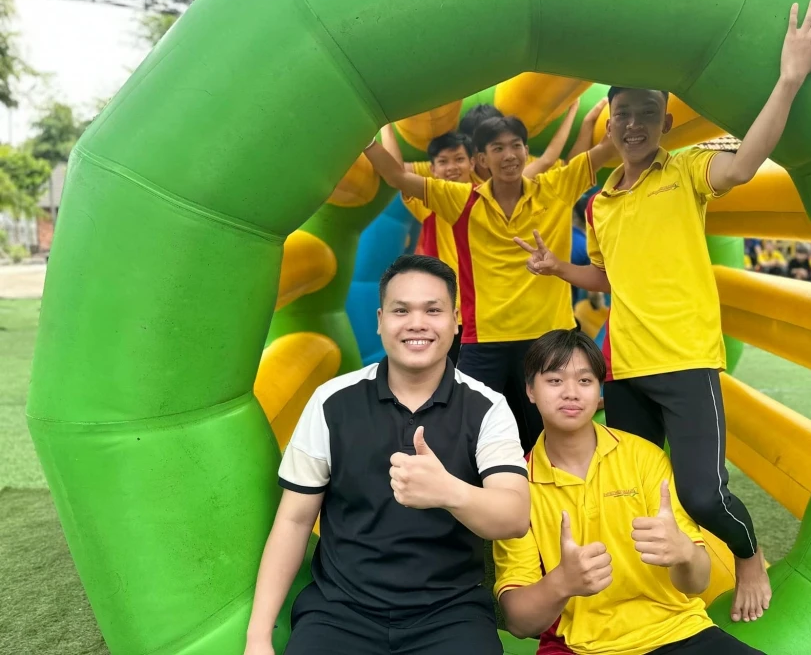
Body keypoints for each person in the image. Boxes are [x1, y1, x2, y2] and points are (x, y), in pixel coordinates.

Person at [516, 0, 811, 623]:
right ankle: (649, 592)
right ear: (609, 125)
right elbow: (608, 276)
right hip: (625, 368)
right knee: (635, 494)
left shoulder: (687, 170)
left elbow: (744, 164)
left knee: (701, 493)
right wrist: (559, 268)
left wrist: (790, 77)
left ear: (666, 123)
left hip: (686, 361)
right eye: (623, 114)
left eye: (647, 113)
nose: (633, 124)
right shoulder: (600, 203)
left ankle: (748, 556)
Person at [244, 255, 530, 655]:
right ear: (380, 320)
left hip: (450, 615)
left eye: (433, 310)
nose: (417, 323)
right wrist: (258, 637)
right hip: (340, 612)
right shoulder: (332, 401)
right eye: (401, 310)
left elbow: (514, 517)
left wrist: (448, 491)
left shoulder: (488, 407)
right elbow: (294, 520)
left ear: (455, 321)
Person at [493, 329, 766, 655]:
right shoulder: (517, 485)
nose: (571, 393)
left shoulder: (644, 457)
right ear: (530, 390)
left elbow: (696, 583)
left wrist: (684, 552)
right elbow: (519, 623)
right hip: (582, 648)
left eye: (584, 381)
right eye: (554, 380)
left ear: (599, 390)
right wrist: (562, 582)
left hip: (678, 632)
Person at [364, 115, 618, 452]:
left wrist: (612, 122)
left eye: (516, 146)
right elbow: (397, 176)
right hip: (485, 339)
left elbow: (603, 151)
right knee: (467, 431)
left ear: (526, 151)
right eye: (498, 148)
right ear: (482, 159)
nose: (509, 155)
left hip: (548, 336)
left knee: (548, 438)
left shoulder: (555, 186)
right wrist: (367, 140)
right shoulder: (460, 199)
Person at [391, 127, 475, 364]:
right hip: (448, 314)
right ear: (433, 169)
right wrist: (386, 125)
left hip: (489, 315)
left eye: (459, 159)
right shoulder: (429, 203)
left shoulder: (488, 197)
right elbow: (396, 172)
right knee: (446, 377)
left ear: (472, 163)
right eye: (443, 161)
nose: (452, 167)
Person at [404, 100, 581, 182]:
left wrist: (580, 119)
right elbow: (400, 171)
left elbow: (566, 165)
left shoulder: (514, 166)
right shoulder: (460, 168)